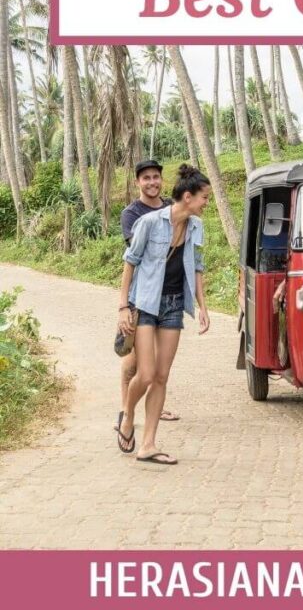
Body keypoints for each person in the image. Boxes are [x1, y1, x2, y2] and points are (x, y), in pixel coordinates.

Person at [115, 164, 211, 465]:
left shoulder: (196, 226)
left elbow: (195, 266)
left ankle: (148, 444)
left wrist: (203, 307)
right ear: (187, 197)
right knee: (144, 373)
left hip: (172, 304)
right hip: (145, 303)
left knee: (161, 376)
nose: (207, 203)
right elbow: (130, 262)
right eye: (204, 197)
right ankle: (128, 416)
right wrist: (123, 307)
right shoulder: (148, 222)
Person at [117, 159, 178, 432]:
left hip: (167, 293)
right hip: (140, 293)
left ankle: (153, 403)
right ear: (137, 182)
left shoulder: (169, 207)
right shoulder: (131, 214)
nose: (152, 182)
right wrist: (123, 305)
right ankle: (125, 409)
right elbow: (139, 252)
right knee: (133, 358)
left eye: (156, 177)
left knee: (155, 357)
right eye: (146, 178)